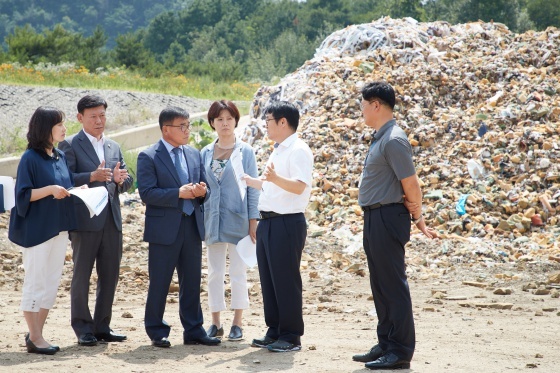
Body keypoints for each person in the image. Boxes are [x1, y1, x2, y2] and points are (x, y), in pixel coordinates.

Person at [351, 81, 437, 370]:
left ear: (376, 105)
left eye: (363, 104)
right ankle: (386, 342)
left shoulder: (394, 139)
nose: (361, 110)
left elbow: (410, 184)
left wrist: (419, 218)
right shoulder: (380, 137)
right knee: (380, 284)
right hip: (375, 217)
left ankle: (400, 350)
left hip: (388, 218)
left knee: (392, 285)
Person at [137, 106, 220, 348]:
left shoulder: (193, 154)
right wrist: (178, 193)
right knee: (160, 281)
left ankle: (194, 330)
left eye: (188, 125)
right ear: (166, 129)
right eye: (181, 126)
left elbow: (205, 187)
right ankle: (156, 330)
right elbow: (147, 193)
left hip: (191, 225)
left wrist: (202, 192)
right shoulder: (148, 156)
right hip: (164, 229)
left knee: (192, 281)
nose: (187, 131)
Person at [58, 95, 133, 346]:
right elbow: (65, 180)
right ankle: (82, 328)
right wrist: (92, 175)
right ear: (80, 118)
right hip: (84, 220)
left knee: (109, 275)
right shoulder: (69, 145)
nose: (99, 120)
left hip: (112, 220)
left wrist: (121, 179)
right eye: (93, 116)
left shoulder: (112, 146)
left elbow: (126, 180)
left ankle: (103, 326)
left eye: (102, 115)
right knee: (82, 275)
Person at [243, 101, 313, 353]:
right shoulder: (278, 150)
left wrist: (273, 179)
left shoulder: (298, 150)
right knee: (269, 279)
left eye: (269, 120)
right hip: (269, 221)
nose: (266, 125)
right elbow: (273, 184)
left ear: (283, 122)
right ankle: (275, 329)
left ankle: (291, 335)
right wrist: (255, 181)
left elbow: (298, 186)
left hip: (287, 222)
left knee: (285, 279)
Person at [9, 107, 76, 355]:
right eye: (59, 124)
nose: (64, 128)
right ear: (45, 128)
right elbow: (23, 195)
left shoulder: (59, 156)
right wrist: (49, 189)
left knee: (50, 283)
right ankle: (35, 338)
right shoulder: (30, 158)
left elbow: (66, 185)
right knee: (35, 283)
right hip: (36, 231)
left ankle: (36, 334)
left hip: (58, 229)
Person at [201, 100, 260, 341]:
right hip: (212, 220)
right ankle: (215, 322)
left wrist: (253, 219)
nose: (224, 124)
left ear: (236, 121)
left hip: (239, 219)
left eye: (229, 119)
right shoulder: (205, 152)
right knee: (214, 272)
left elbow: (254, 188)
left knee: (238, 271)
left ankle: (237, 322)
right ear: (212, 123)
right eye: (219, 119)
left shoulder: (245, 151)